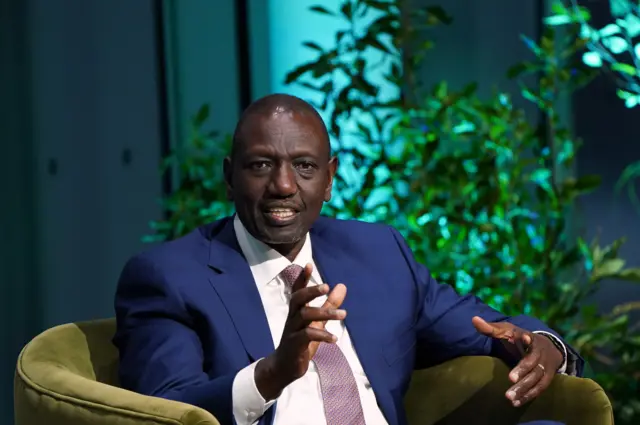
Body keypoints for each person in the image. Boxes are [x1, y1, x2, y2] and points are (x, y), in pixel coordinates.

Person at [114, 94, 581, 425]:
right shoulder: (169, 277)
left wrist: (541, 343)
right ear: (229, 177)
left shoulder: (377, 253)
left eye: (304, 167)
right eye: (260, 165)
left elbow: (482, 326)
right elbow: (164, 412)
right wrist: (274, 372)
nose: (282, 185)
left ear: (330, 178)